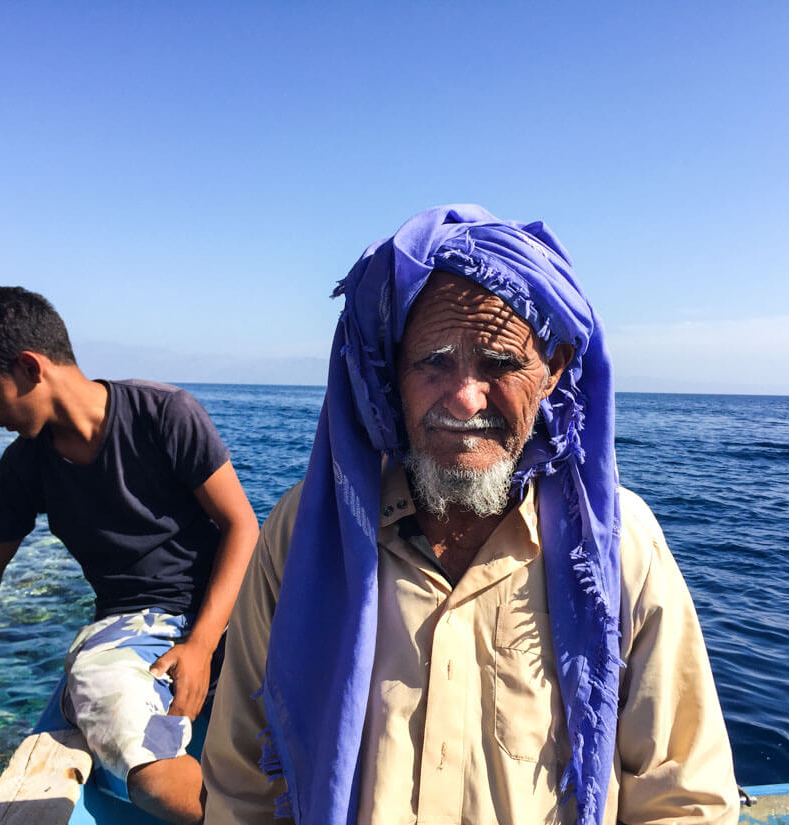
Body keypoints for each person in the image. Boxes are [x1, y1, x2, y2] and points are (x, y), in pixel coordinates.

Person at [201, 205, 739, 825]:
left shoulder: (620, 545)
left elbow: (685, 798)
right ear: (390, 372)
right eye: (432, 361)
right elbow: (243, 784)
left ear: (553, 369)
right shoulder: (305, 535)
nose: (464, 397)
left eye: (500, 364)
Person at [0, 286, 259, 824]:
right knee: (138, 753)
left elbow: (241, 525)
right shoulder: (25, 467)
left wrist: (203, 644)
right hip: (133, 627)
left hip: (231, 607)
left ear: (28, 366)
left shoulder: (164, 413)